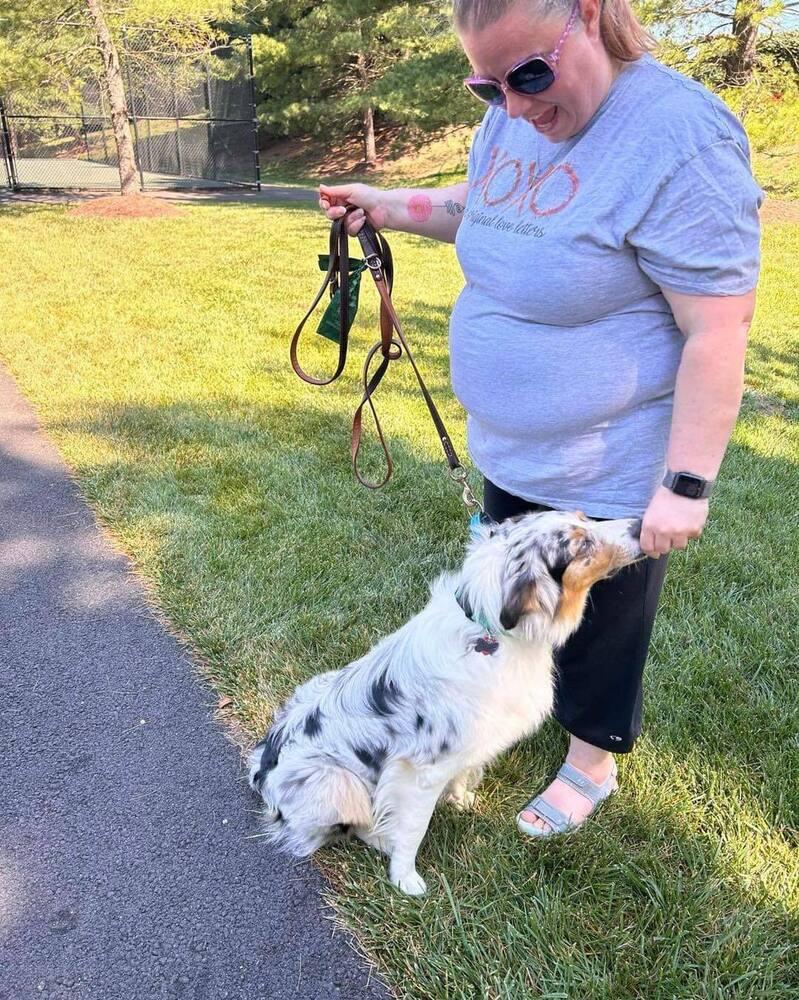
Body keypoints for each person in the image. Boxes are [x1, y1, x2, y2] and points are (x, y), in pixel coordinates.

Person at [318, 0, 762, 837]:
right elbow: (487, 205)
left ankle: (591, 761)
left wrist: (685, 485)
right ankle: (518, 711)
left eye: (528, 74)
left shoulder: (680, 139)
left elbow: (717, 329)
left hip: (606, 463)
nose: (515, 107)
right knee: (517, 608)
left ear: (589, 15)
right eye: (488, 88)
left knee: (598, 628)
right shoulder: (517, 116)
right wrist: (387, 205)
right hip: (511, 449)